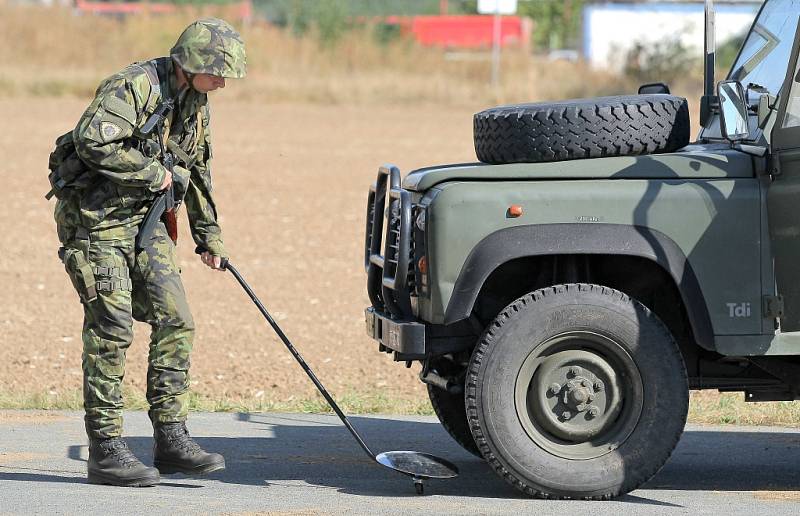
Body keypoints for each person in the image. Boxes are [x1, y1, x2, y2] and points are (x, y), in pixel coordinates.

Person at [51, 18, 246, 487]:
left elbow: (196, 171)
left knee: (177, 319)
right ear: (192, 63)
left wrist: (209, 237)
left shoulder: (195, 102)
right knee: (111, 329)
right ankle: (106, 449)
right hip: (97, 225)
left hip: (146, 223)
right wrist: (151, 173)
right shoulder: (134, 85)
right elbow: (91, 140)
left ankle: (171, 439)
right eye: (218, 71)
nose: (222, 82)